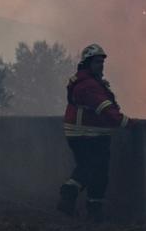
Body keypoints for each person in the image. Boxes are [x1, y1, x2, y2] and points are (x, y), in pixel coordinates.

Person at [57, 43, 134, 221]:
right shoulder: (88, 86)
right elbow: (106, 109)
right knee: (90, 169)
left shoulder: (89, 82)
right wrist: (128, 123)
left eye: (102, 62)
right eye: (97, 62)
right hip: (87, 135)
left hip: (90, 134)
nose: (101, 66)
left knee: (98, 173)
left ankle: (94, 211)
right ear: (87, 63)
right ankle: (68, 195)